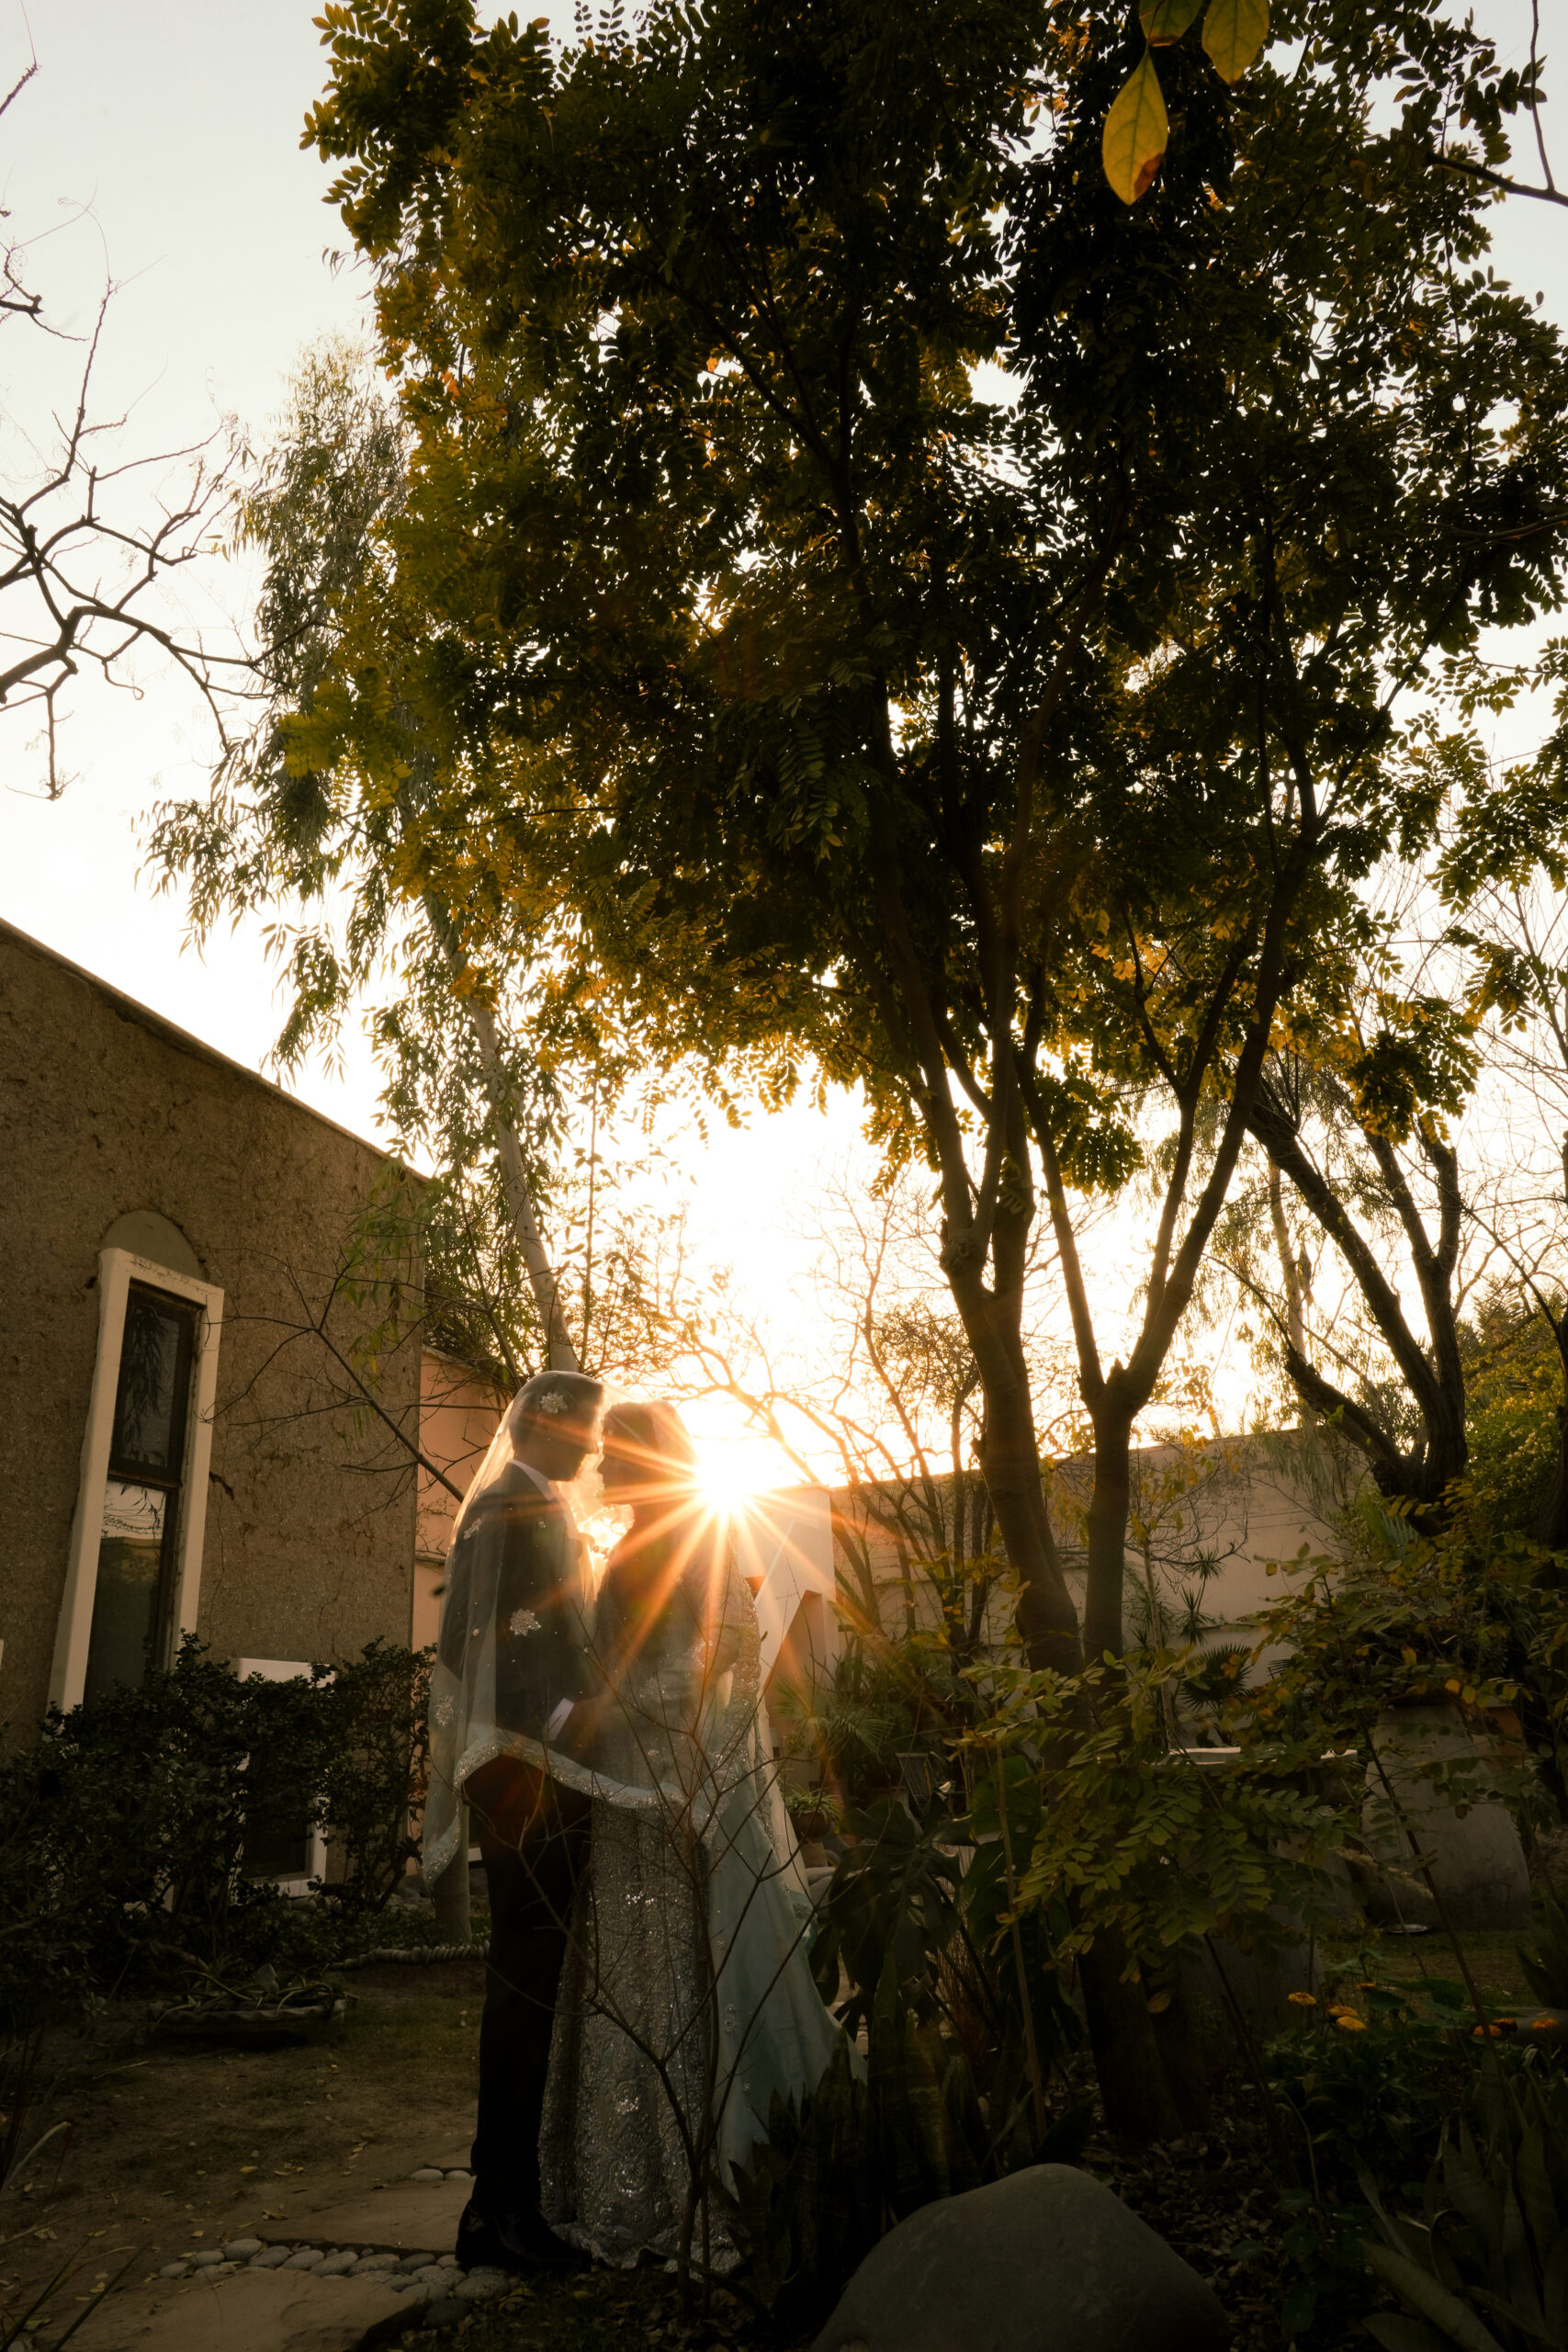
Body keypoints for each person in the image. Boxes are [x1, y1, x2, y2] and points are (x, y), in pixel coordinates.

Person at [537, 1399, 849, 2267]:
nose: (602, 1468)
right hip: (629, 1791)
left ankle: (679, 2171)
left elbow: (705, 1678)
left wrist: (600, 1714)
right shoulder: (638, 1545)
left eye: (615, 1454)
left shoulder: (690, 1545)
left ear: (649, 1461)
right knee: (636, 1970)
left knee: (667, 1969)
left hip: (662, 1790)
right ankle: (633, 2170)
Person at [423, 1366, 604, 2275]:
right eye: (586, 1429)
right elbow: (468, 1634)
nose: (595, 1446)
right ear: (546, 1423)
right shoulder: (503, 1508)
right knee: (525, 1984)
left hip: (550, 1771)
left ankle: (504, 2199)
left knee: (537, 1980)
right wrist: (567, 1722)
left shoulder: (541, 1506)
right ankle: (501, 2210)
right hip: (523, 1775)